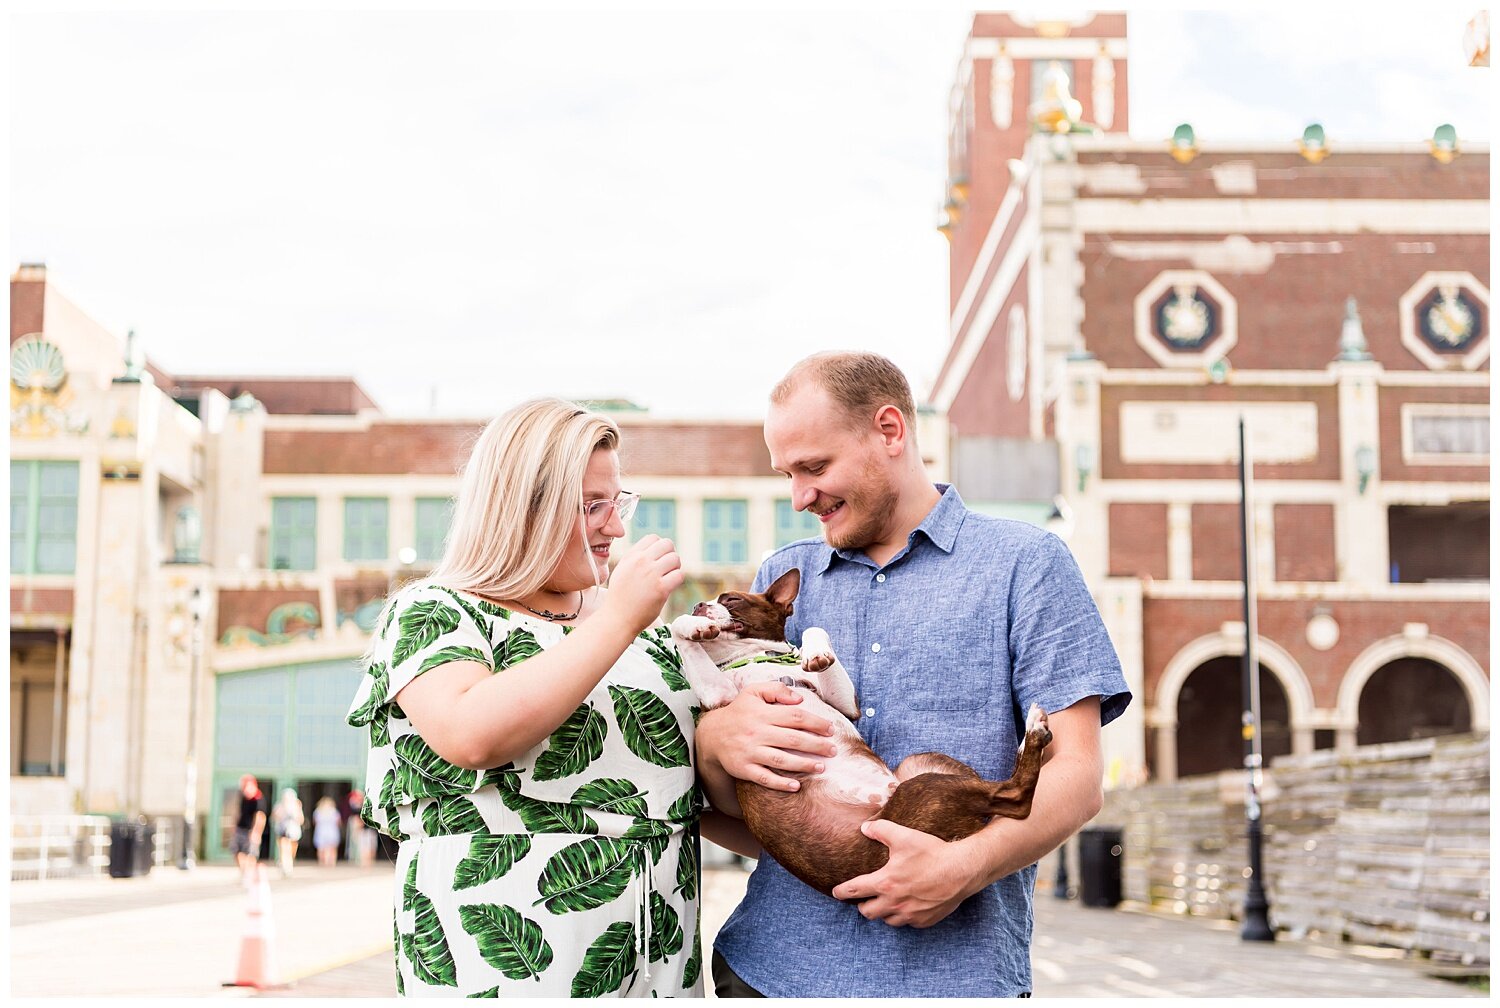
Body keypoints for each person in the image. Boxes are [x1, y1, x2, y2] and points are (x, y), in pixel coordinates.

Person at [695, 351, 1132, 998]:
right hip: (768, 972)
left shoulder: (1026, 565)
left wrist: (961, 866)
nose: (799, 498)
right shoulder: (783, 580)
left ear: (891, 431)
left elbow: (1077, 775)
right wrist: (712, 747)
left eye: (815, 467)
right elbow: (753, 807)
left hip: (951, 981)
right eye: (788, 474)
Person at [344, 398, 795, 998]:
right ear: (518, 510)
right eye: (592, 506)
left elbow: (712, 809)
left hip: (657, 976)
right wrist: (618, 619)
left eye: (619, 502)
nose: (616, 526)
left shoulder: (658, 643)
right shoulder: (437, 611)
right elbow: (470, 732)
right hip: (502, 976)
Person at [230, 774, 267, 884]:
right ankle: (243, 872)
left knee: (250, 853)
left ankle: (248, 874)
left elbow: (260, 817)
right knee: (237, 851)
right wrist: (234, 824)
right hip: (240, 828)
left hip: (250, 831)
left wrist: (256, 832)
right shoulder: (243, 797)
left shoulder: (258, 799)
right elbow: (238, 812)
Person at [271, 788, 305, 876]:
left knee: (291, 849)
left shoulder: (296, 806)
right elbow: (274, 817)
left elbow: (301, 820)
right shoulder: (279, 806)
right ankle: (284, 865)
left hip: (293, 831)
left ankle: (289, 864)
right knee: (284, 847)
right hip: (282, 829)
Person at [312, 796, 342, 866]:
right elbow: (339, 822)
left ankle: (322, 862)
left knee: (321, 848)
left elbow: (315, 822)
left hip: (321, 831)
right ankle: (331, 862)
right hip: (332, 831)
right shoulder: (334, 811)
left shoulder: (317, 811)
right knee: (332, 848)